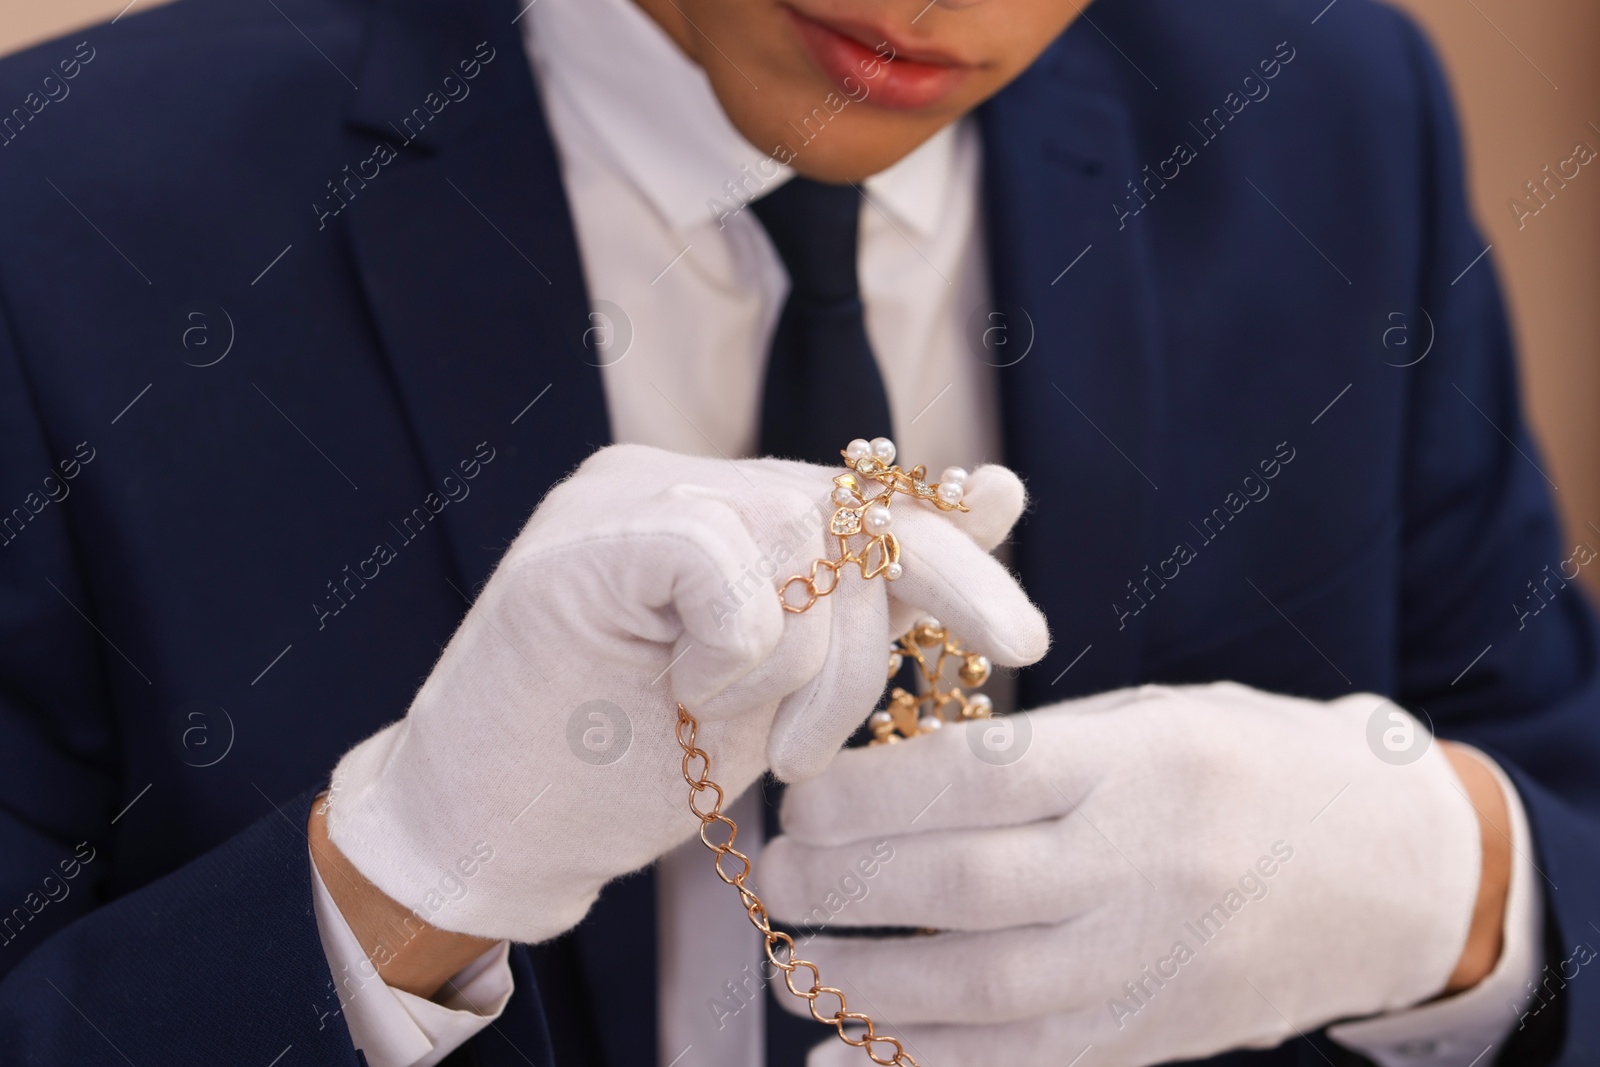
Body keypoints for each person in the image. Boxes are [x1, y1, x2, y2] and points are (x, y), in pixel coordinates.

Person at [0, 0, 1593, 1064]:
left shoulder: (1334, 122)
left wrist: (1461, 889)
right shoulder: (68, 209)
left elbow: (1566, 804)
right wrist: (397, 884)